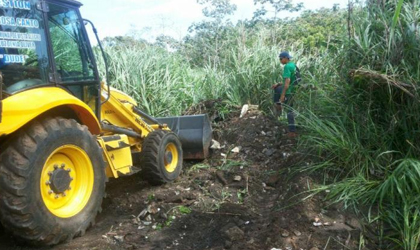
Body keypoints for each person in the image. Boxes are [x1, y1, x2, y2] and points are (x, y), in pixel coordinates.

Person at [271, 51, 298, 138]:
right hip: (294, 90)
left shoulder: (287, 67)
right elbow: (292, 81)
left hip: (289, 92)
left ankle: (292, 131)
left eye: (281, 58)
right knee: (277, 88)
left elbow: (287, 82)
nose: (280, 60)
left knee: (289, 111)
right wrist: (279, 84)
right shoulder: (293, 65)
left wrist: (282, 96)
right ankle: (278, 105)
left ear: (286, 58)